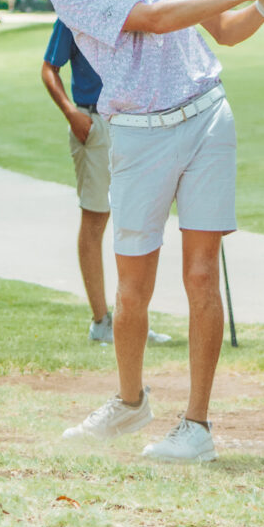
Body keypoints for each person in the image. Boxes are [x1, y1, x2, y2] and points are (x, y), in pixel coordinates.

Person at [42, 0, 264, 462]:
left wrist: (260, 5)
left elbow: (225, 32)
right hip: (137, 134)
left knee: (201, 272)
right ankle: (130, 404)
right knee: (133, 292)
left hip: (206, 115)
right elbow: (150, 19)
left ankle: (197, 427)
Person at [41, 21, 172, 346]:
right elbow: (49, 68)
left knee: (138, 222)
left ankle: (133, 319)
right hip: (93, 123)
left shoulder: (133, 11)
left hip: (136, 123)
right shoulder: (74, 12)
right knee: (96, 218)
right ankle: (102, 322)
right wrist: (72, 114)